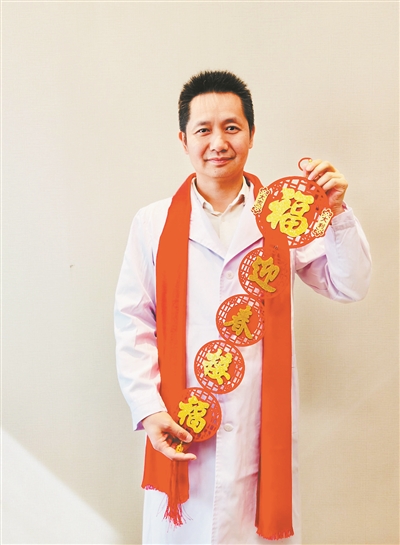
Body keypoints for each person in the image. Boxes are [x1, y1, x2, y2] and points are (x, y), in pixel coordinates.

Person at [114, 71, 371, 545]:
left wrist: (335, 213)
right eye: (203, 129)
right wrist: (149, 409)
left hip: (257, 427)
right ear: (183, 140)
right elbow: (134, 321)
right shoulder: (152, 223)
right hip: (182, 423)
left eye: (231, 127)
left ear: (252, 135)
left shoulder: (284, 217)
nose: (218, 142)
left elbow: (349, 285)